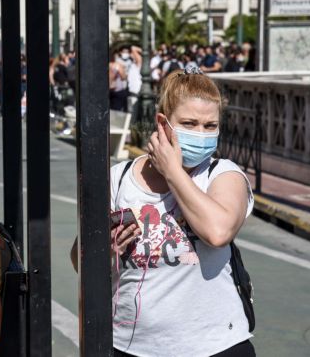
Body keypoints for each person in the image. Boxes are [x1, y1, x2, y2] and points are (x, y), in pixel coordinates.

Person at [70, 65, 255, 357]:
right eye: (189, 123)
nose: (201, 134)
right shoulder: (119, 178)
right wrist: (104, 251)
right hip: (130, 346)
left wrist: (172, 172)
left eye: (210, 126)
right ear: (162, 123)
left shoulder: (223, 175)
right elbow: (80, 260)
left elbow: (217, 232)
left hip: (216, 346)